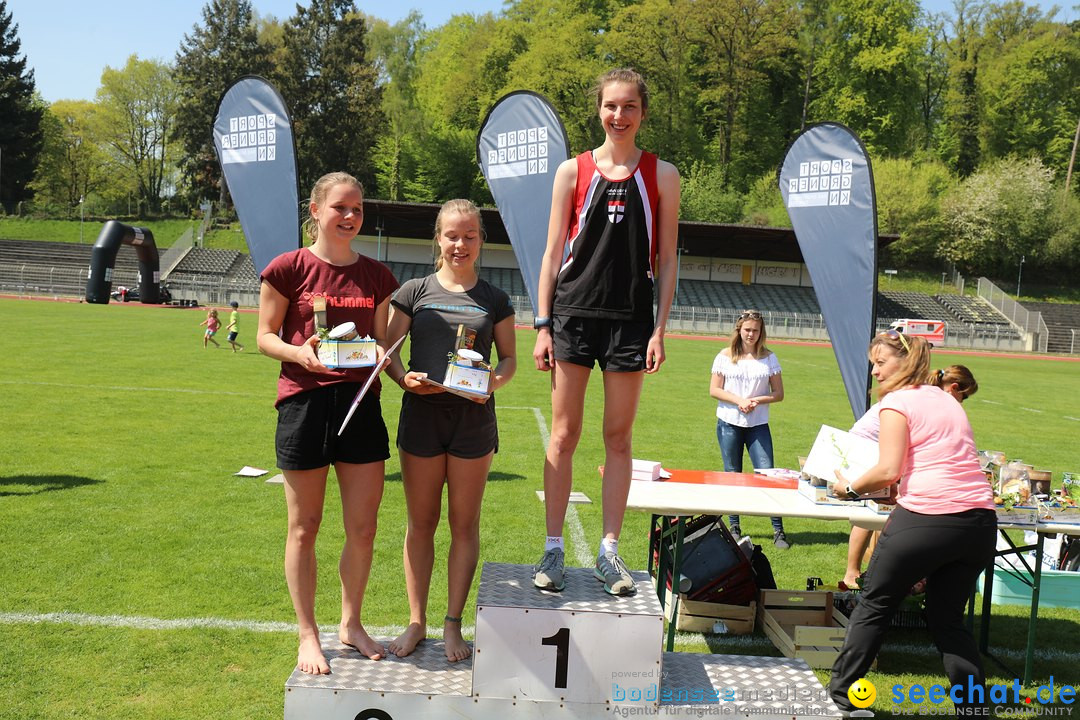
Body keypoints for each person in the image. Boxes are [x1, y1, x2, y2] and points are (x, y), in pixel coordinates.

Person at [531, 68, 680, 597]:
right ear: (598, 109)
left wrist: (660, 329)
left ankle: (609, 553)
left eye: (630, 106)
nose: (619, 116)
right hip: (573, 315)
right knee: (564, 435)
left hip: (631, 322)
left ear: (643, 111)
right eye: (610, 106)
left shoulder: (662, 175)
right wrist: (544, 324)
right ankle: (552, 548)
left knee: (618, 440)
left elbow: (666, 259)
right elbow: (552, 254)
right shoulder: (572, 171)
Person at [256, 171, 399, 675]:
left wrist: (396, 365)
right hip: (305, 403)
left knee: (363, 528)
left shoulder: (379, 276)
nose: (350, 216)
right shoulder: (287, 267)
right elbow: (265, 337)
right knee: (305, 527)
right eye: (340, 207)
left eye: (357, 208)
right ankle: (308, 633)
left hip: (361, 403)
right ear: (315, 211)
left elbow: (382, 342)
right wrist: (301, 353)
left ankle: (351, 623)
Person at [830, 336, 996, 716]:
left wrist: (849, 488)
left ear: (904, 363)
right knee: (947, 620)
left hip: (929, 519)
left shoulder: (896, 403)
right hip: (979, 525)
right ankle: (975, 709)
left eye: (881, 362)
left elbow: (888, 468)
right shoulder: (944, 398)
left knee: (874, 604)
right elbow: (933, 462)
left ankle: (839, 697)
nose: (874, 371)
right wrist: (895, 490)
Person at [383, 199, 517, 662]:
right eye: (452, 235)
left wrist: (492, 385)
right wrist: (403, 378)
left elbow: (509, 359)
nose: (460, 244)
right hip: (421, 417)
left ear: (481, 241)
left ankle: (453, 624)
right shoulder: (414, 290)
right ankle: (417, 620)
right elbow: (389, 349)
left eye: (470, 236)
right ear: (438, 239)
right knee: (421, 524)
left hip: (473, 421)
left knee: (464, 525)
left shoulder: (495, 298)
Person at [842, 343, 979, 588]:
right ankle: (854, 572)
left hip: (879, 446)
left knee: (882, 508)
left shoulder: (922, 394)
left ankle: (882, 572)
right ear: (955, 388)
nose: (962, 402)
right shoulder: (920, 397)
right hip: (867, 444)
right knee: (867, 510)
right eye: (964, 397)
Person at [709, 310, 788, 548]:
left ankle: (778, 531)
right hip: (729, 423)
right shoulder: (724, 356)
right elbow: (715, 389)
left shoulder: (769, 358)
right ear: (739, 330)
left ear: (761, 332)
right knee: (733, 474)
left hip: (758, 426)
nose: (751, 334)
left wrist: (757, 401)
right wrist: (739, 401)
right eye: (747, 330)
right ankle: (734, 527)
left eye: (755, 330)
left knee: (768, 475)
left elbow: (779, 394)